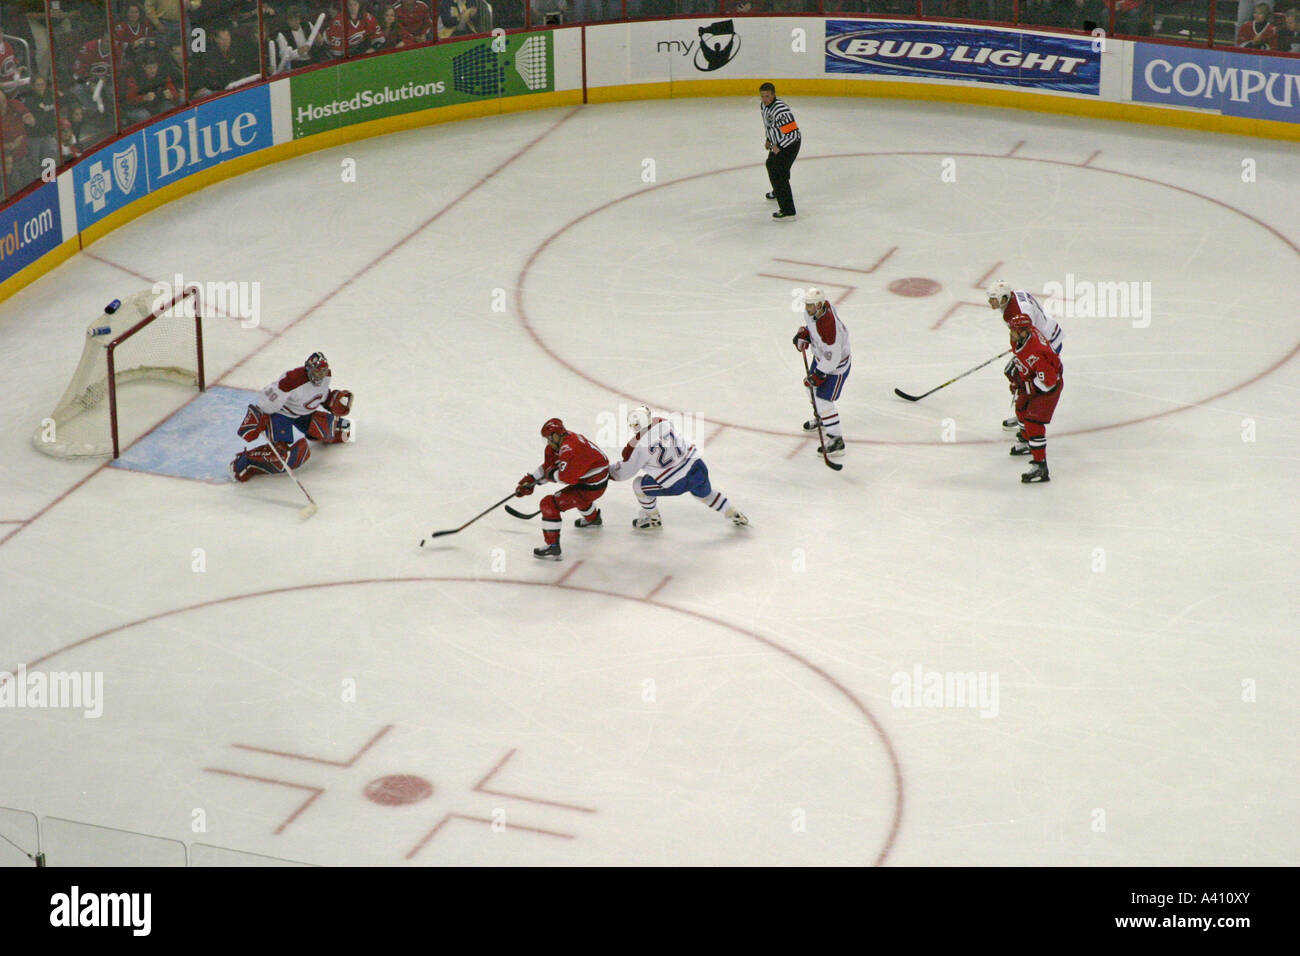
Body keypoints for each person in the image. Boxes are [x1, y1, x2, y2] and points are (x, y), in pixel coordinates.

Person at [609, 406, 749, 530]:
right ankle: (732, 512)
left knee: (638, 485)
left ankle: (652, 518)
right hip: (697, 467)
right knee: (705, 494)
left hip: (675, 483)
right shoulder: (662, 422)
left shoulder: (634, 446)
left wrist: (607, 470)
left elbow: (624, 473)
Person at [229, 352, 353, 482]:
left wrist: (330, 400)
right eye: (316, 373)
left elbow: (319, 394)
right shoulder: (291, 380)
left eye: (322, 373)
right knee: (283, 457)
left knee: (342, 430)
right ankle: (245, 462)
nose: (319, 377)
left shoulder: (326, 376)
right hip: (281, 415)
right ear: (308, 369)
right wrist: (261, 415)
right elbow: (267, 398)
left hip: (303, 414)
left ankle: (318, 430)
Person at [515, 418, 609, 560]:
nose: (547, 442)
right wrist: (531, 480)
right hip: (588, 482)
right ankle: (593, 518)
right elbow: (550, 467)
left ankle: (553, 547)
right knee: (577, 497)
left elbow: (567, 477)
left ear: (556, 435)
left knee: (549, 504)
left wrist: (549, 476)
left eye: (548, 438)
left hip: (592, 486)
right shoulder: (563, 442)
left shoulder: (570, 449)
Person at [986, 279, 1062, 432]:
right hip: (1044, 336)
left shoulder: (1020, 312)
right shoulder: (1013, 298)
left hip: (1047, 345)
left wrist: (1021, 353)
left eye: (994, 299)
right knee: (1017, 375)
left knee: (1027, 380)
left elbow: (1031, 337)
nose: (990, 302)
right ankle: (1022, 413)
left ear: (1005, 298)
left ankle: (1027, 417)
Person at [792, 287, 850, 458]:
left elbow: (834, 357)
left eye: (809, 304)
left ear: (818, 305)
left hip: (836, 366)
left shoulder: (829, 326)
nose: (806, 307)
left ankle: (837, 440)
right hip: (822, 358)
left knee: (824, 400)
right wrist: (806, 335)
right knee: (810, 388)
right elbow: (814, 329)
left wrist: (820, 374)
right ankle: (824, 419)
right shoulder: (815, 312)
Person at [1004, 315, 1062, 483]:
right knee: (1020, 407)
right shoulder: (1022, 338)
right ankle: (1026, 442)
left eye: (1014, 331)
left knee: (1033, 422)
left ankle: (1040, 467)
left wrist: (1026, 385)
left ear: (1023, 332)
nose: (1011, 334)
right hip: (1035, 379)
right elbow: (1022, 357)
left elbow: (1049, 382)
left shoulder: (1037, 352)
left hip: (1049, 388)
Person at [759, 81, 800, 222]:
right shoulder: (763, 107)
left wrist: (780, 146)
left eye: (768, 96)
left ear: (774, 94)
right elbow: (769, 126)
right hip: (778, 143)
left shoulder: (781, 110)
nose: (765, 99)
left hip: (790, 145)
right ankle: (778, 191)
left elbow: (793, 134)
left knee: (779, 174)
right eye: (763, 96)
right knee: (771, 165)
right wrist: (768, 139)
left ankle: (788, 211)